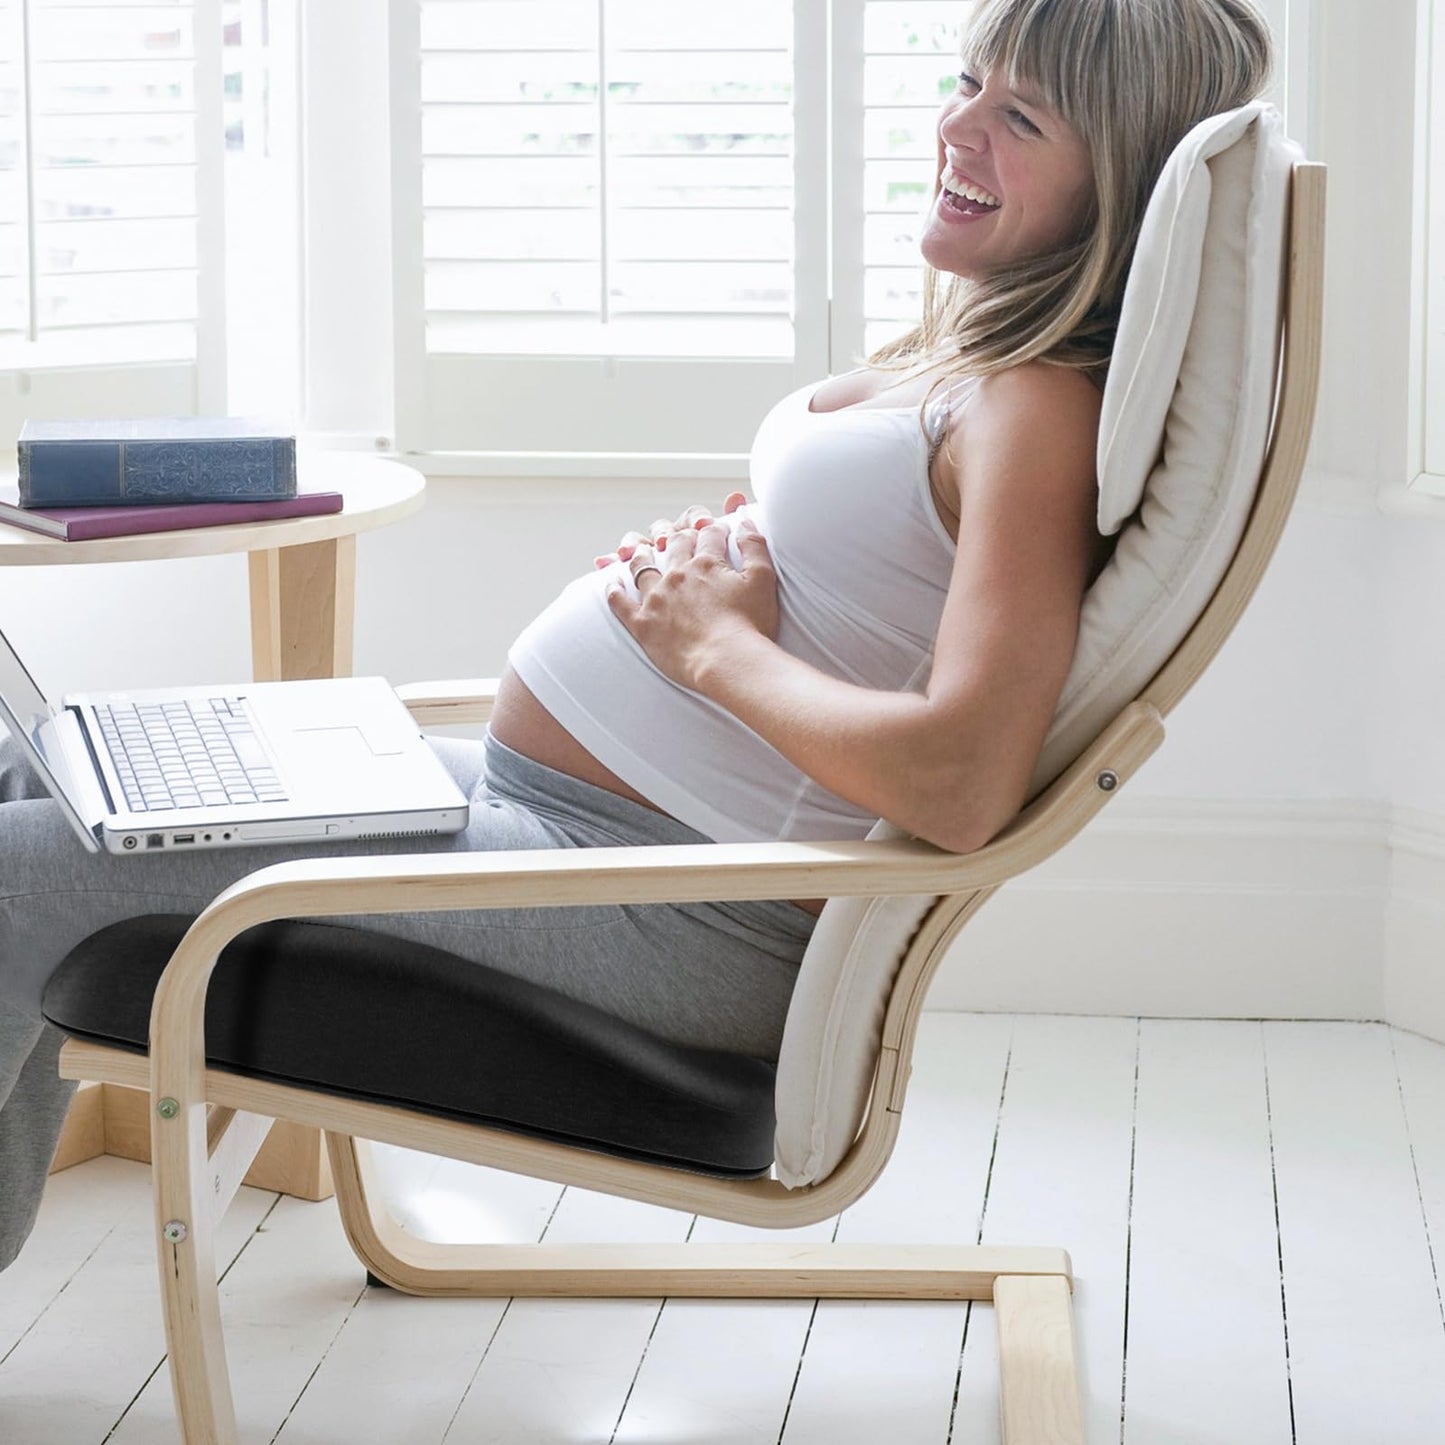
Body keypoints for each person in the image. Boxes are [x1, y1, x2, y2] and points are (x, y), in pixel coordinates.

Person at [0, 0, 1274, 1270]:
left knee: (17, 869)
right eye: (964, 83)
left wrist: (711, 647)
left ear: (1119, 184)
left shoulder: (1037, 412)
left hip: (659, 903)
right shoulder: (978, 363)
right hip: (569, 828)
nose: (954, 128)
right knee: (50, 766)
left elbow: (961, 778)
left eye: (1019, 117)